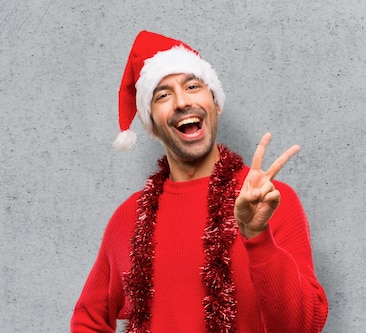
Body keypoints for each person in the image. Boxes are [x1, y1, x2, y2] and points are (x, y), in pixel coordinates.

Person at [71, 30, 328, 333]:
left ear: (215, 104)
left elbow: (302, 327)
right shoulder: (130, 216)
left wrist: (257, 236)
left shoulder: (269, 201)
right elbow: (88, 319)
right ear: (152, 123)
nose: (182, 102)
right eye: (163, 95)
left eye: (192, 86)